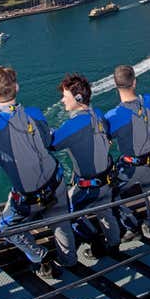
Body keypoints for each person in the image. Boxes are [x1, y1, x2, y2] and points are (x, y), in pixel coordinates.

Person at [0, 66, 76, 279]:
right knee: (60, 221)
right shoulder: (34, 113)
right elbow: (47, 140)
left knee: (7, 227)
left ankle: (40, 257)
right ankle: (70, 262)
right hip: (56, 181)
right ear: (16, 87)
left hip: (31, 197)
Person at [50, 73, 120, 258]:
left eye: (65, 96)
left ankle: (94, 240)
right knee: (105, 213)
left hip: (89, 187)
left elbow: (52, 143)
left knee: (67, 213)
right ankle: (114, 247)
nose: (62, 100)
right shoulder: (98, 114)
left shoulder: (75, 124)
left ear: (78, 98)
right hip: (106, 180)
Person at [104, 65, 150, 244]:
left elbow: (104, 137)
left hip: (130, 167)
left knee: (110, 195)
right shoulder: (149, 101)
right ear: (134, 82)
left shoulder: (114, 115)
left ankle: (131, 225)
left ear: (115, 86)